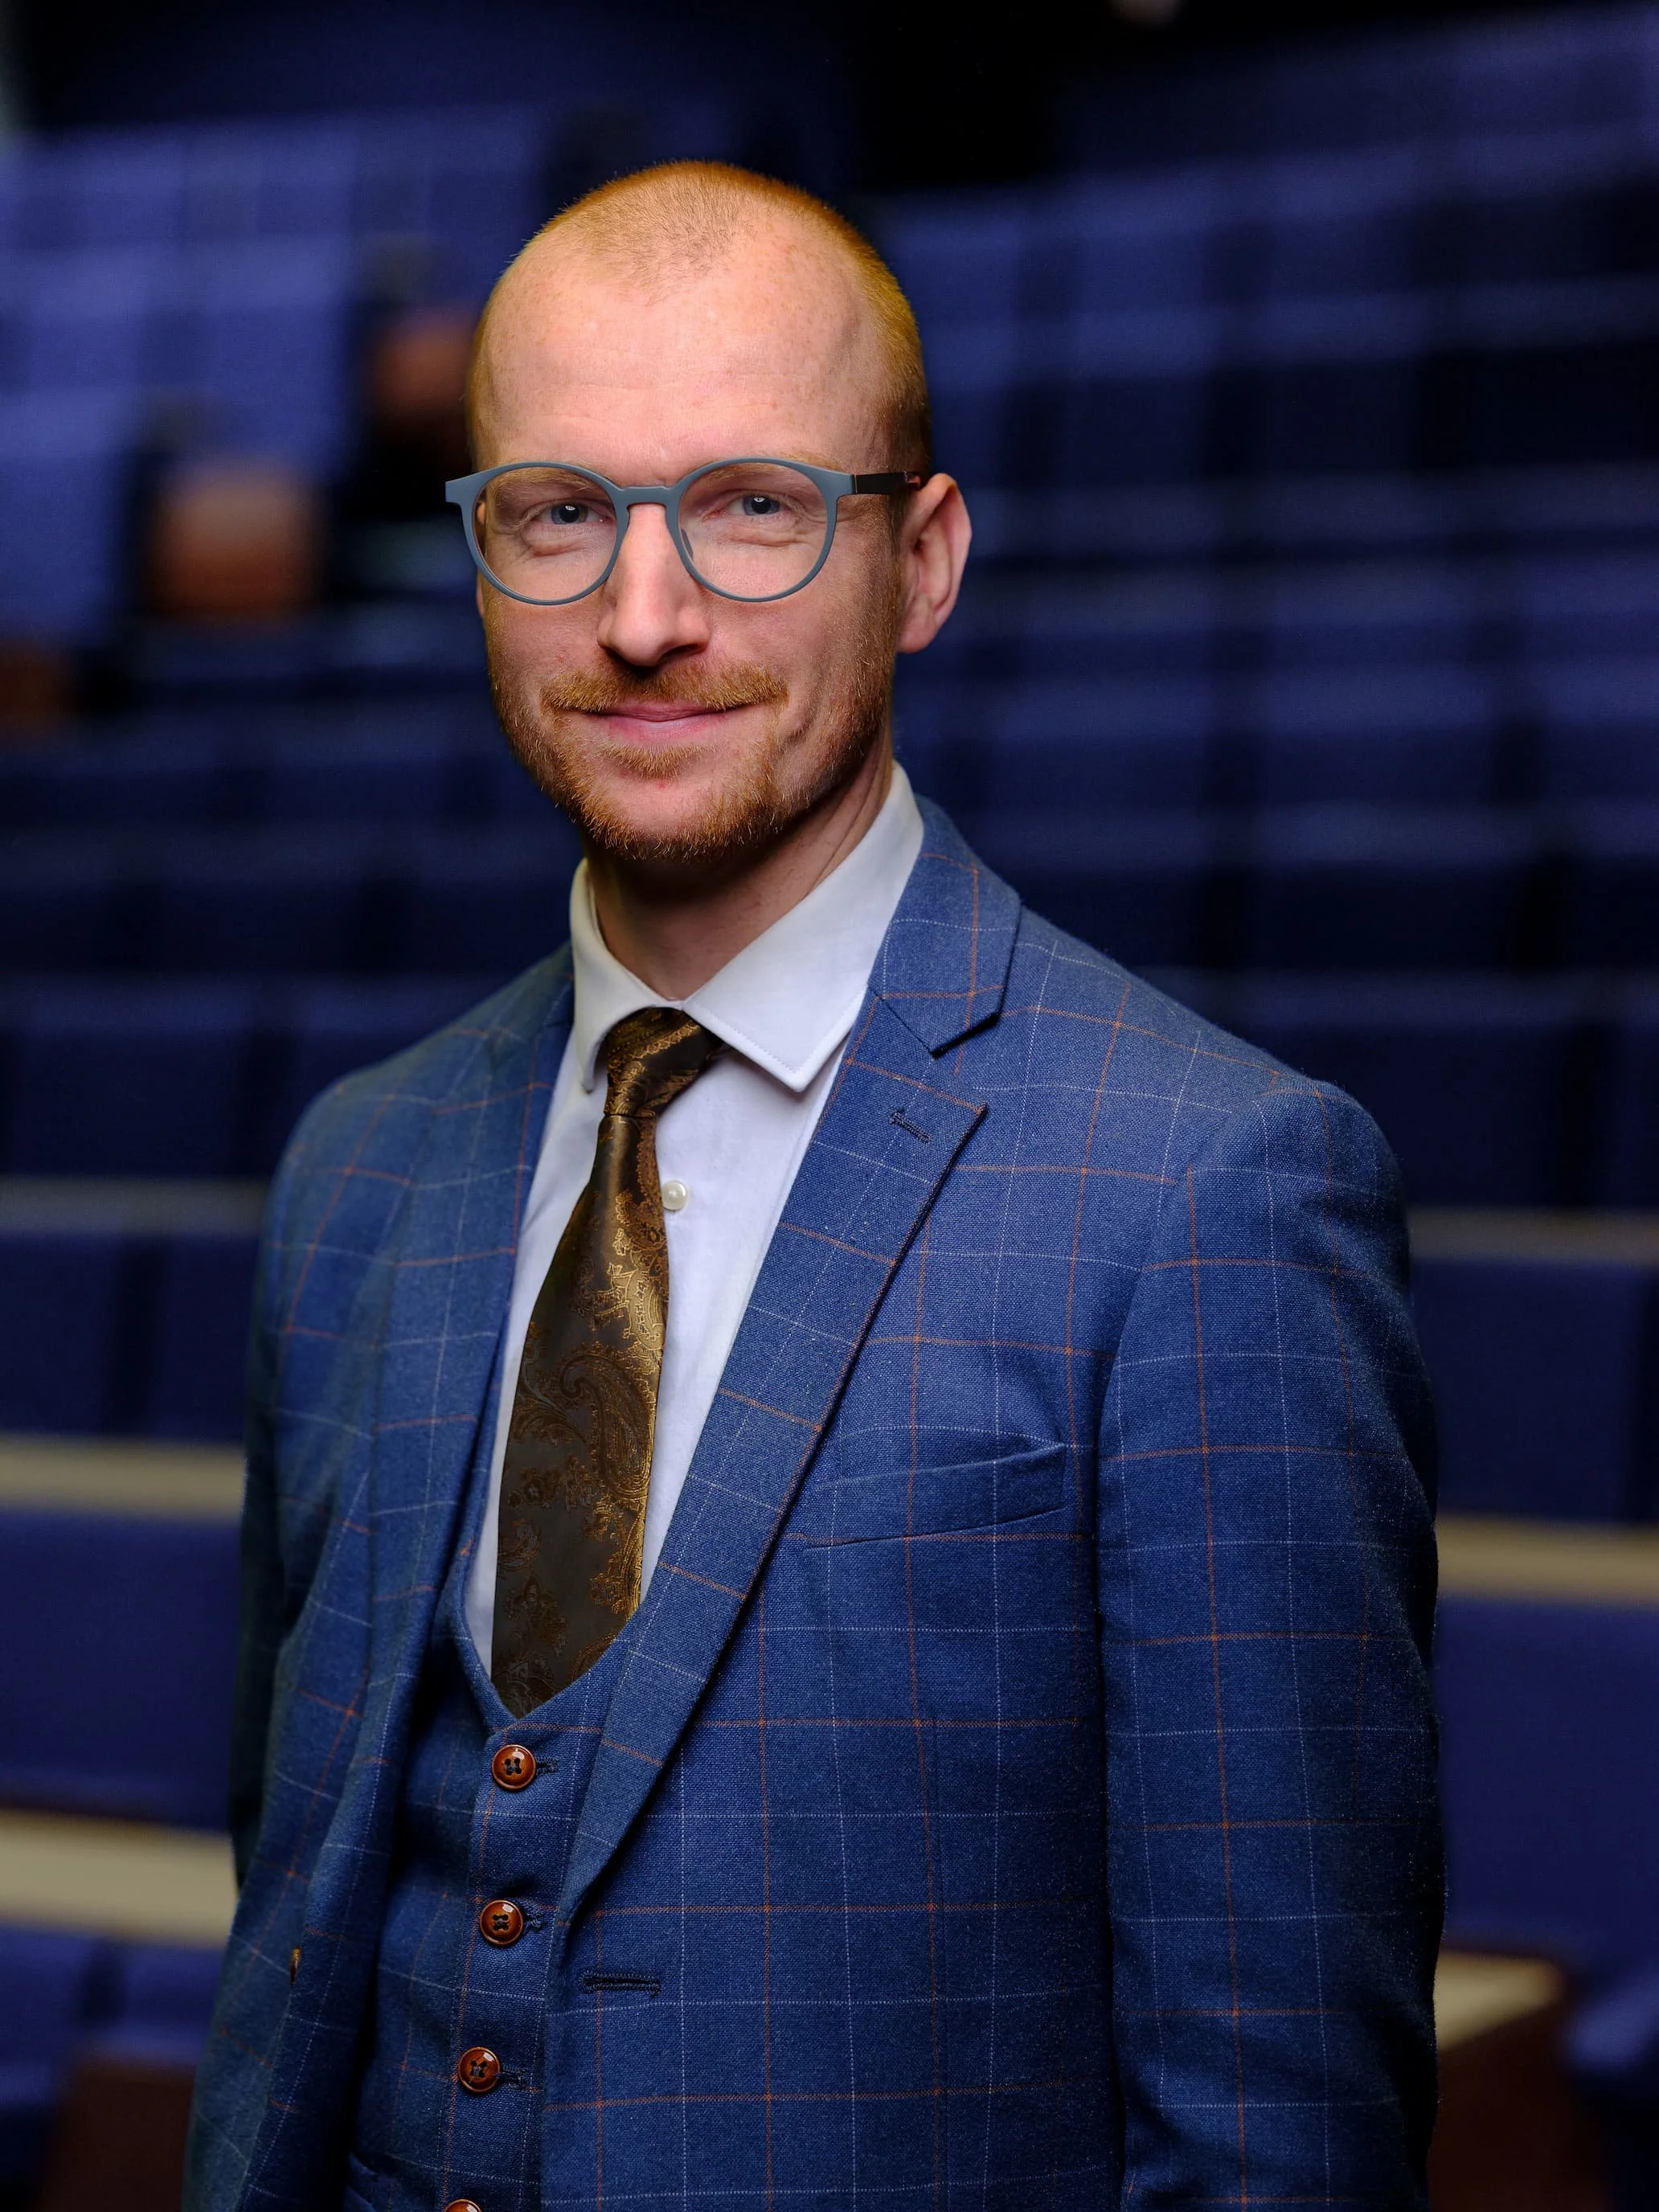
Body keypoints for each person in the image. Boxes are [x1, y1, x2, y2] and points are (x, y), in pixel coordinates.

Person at [186, 162, 1440, 2212]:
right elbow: (296, 1907)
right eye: (558, 511)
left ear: (923, 560)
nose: (648, 612)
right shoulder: (359, 1167)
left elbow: (1275, 2130)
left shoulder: (1212, 1188)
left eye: (756, 505)